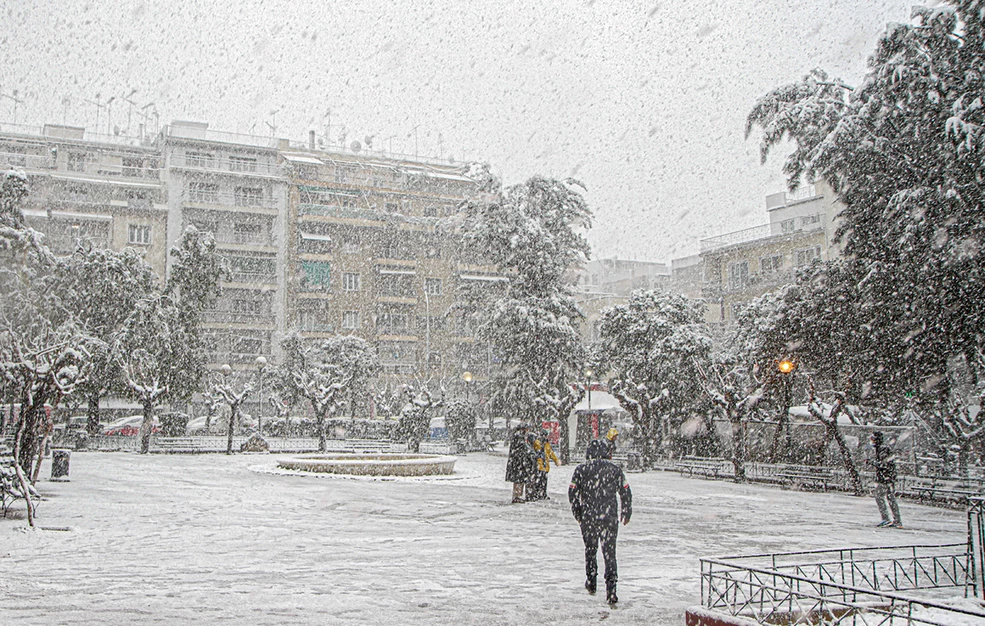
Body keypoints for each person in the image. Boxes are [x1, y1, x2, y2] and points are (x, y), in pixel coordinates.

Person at [569, 439, 632, 605]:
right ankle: (611, 588)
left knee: (590, 549)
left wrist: (578, 511)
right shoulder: (615, 470)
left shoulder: (581, 470)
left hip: (589, 516)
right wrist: (626, 510)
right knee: (609, 552)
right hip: (609, 516)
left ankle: (591, 580)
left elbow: (572, 492)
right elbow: (626, 491)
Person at [868, 431, 902, 528]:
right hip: (886, 477)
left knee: (881, 496)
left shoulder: (883, 450)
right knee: (889, 498)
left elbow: (883, 464)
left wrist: (872, 462)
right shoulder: (882, 449)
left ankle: (888, 519)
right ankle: (896, 520)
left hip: (886, 478)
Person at [505, 424, 535, 503]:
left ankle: (517, 496)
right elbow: (523, 449)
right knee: (519, 480)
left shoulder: (517, 436)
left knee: (519, 480)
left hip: (517, 462)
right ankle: (517, 496)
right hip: (518, 463)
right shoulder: (519, 437)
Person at [528, 428, 560, 501]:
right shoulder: (537, 443)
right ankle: (537, 494)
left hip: (545, 466)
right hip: (539, 465)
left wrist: (556, 460)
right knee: (538, 482)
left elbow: (551, 453)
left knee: (544, 482)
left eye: (545, 435)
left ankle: (543, 494)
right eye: (543, 435)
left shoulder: (547, 444)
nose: (544, 437)